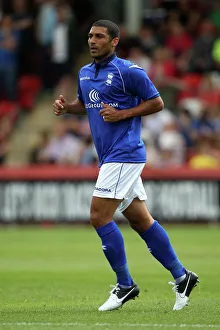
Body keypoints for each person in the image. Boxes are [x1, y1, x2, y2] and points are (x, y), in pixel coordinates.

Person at [53, 19, 199, 312]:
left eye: (99, 36)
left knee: (98, 216)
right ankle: (182, 277)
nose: (92, 41)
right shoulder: (85, 73)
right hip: (110, 155)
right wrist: (68, 108)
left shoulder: (128, 71)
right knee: (140, 220)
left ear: (114, 41)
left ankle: (125, 284)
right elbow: (87, 104)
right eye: (90, 36)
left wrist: (123, 114)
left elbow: (156, 102)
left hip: (125, 152)